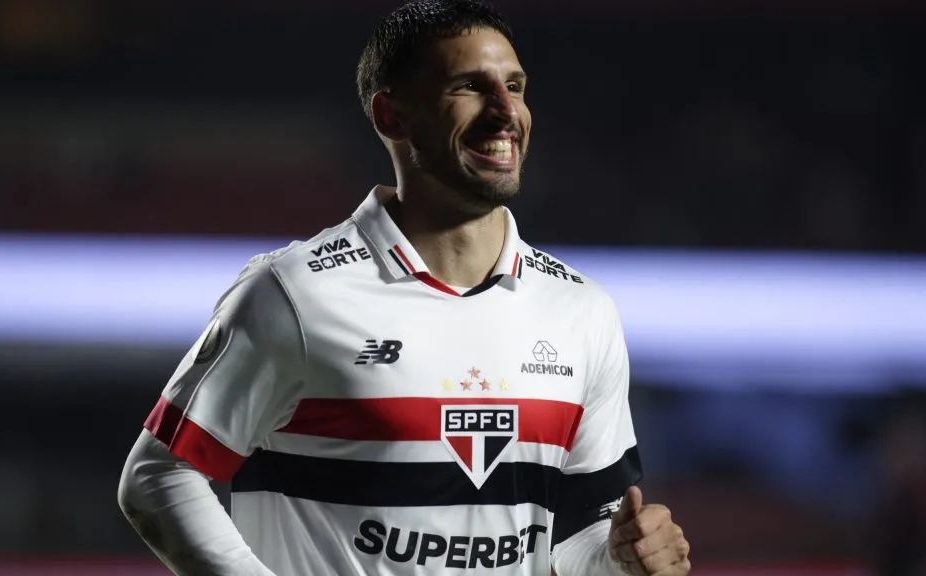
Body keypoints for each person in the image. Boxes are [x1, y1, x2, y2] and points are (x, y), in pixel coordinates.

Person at [117, 1, 691, 574]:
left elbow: (579, 532)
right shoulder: (292, 295)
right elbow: (158, 475)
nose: (504, 111)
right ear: (392, 116)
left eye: (514, 87)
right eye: (470, 87)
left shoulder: (580, 311)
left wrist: (623, 559)